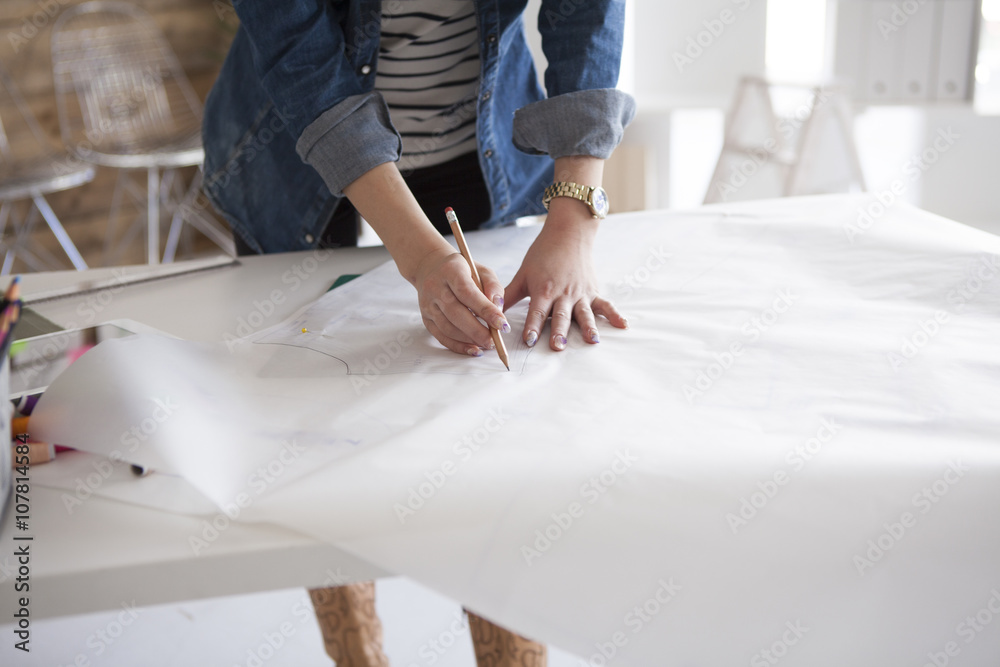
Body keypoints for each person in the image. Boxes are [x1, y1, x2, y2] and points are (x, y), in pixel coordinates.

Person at [202, 0, 633, 663]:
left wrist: (576, 215)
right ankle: (358, 653)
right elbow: (298, 53)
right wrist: (422, 256)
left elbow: (587, 15)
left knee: (494, 441)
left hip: (478, 141)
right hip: (292, 152)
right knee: (317, 433)